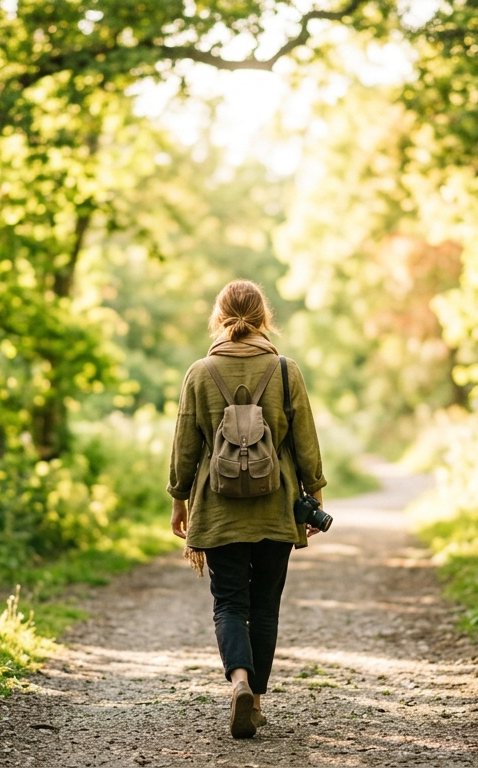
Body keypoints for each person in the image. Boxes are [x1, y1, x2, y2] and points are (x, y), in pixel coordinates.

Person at [167, 279, 326, 739]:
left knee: (230, 604)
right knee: (265, 606)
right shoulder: (283, 369)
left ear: (218, 317)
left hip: (217, 510)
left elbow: (185, 444)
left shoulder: (199, 372)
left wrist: (179, 500)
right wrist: (314, 493)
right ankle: (254, 700)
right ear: (264, 317)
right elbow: (305, 440)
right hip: (276, 507)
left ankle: (237, 681)